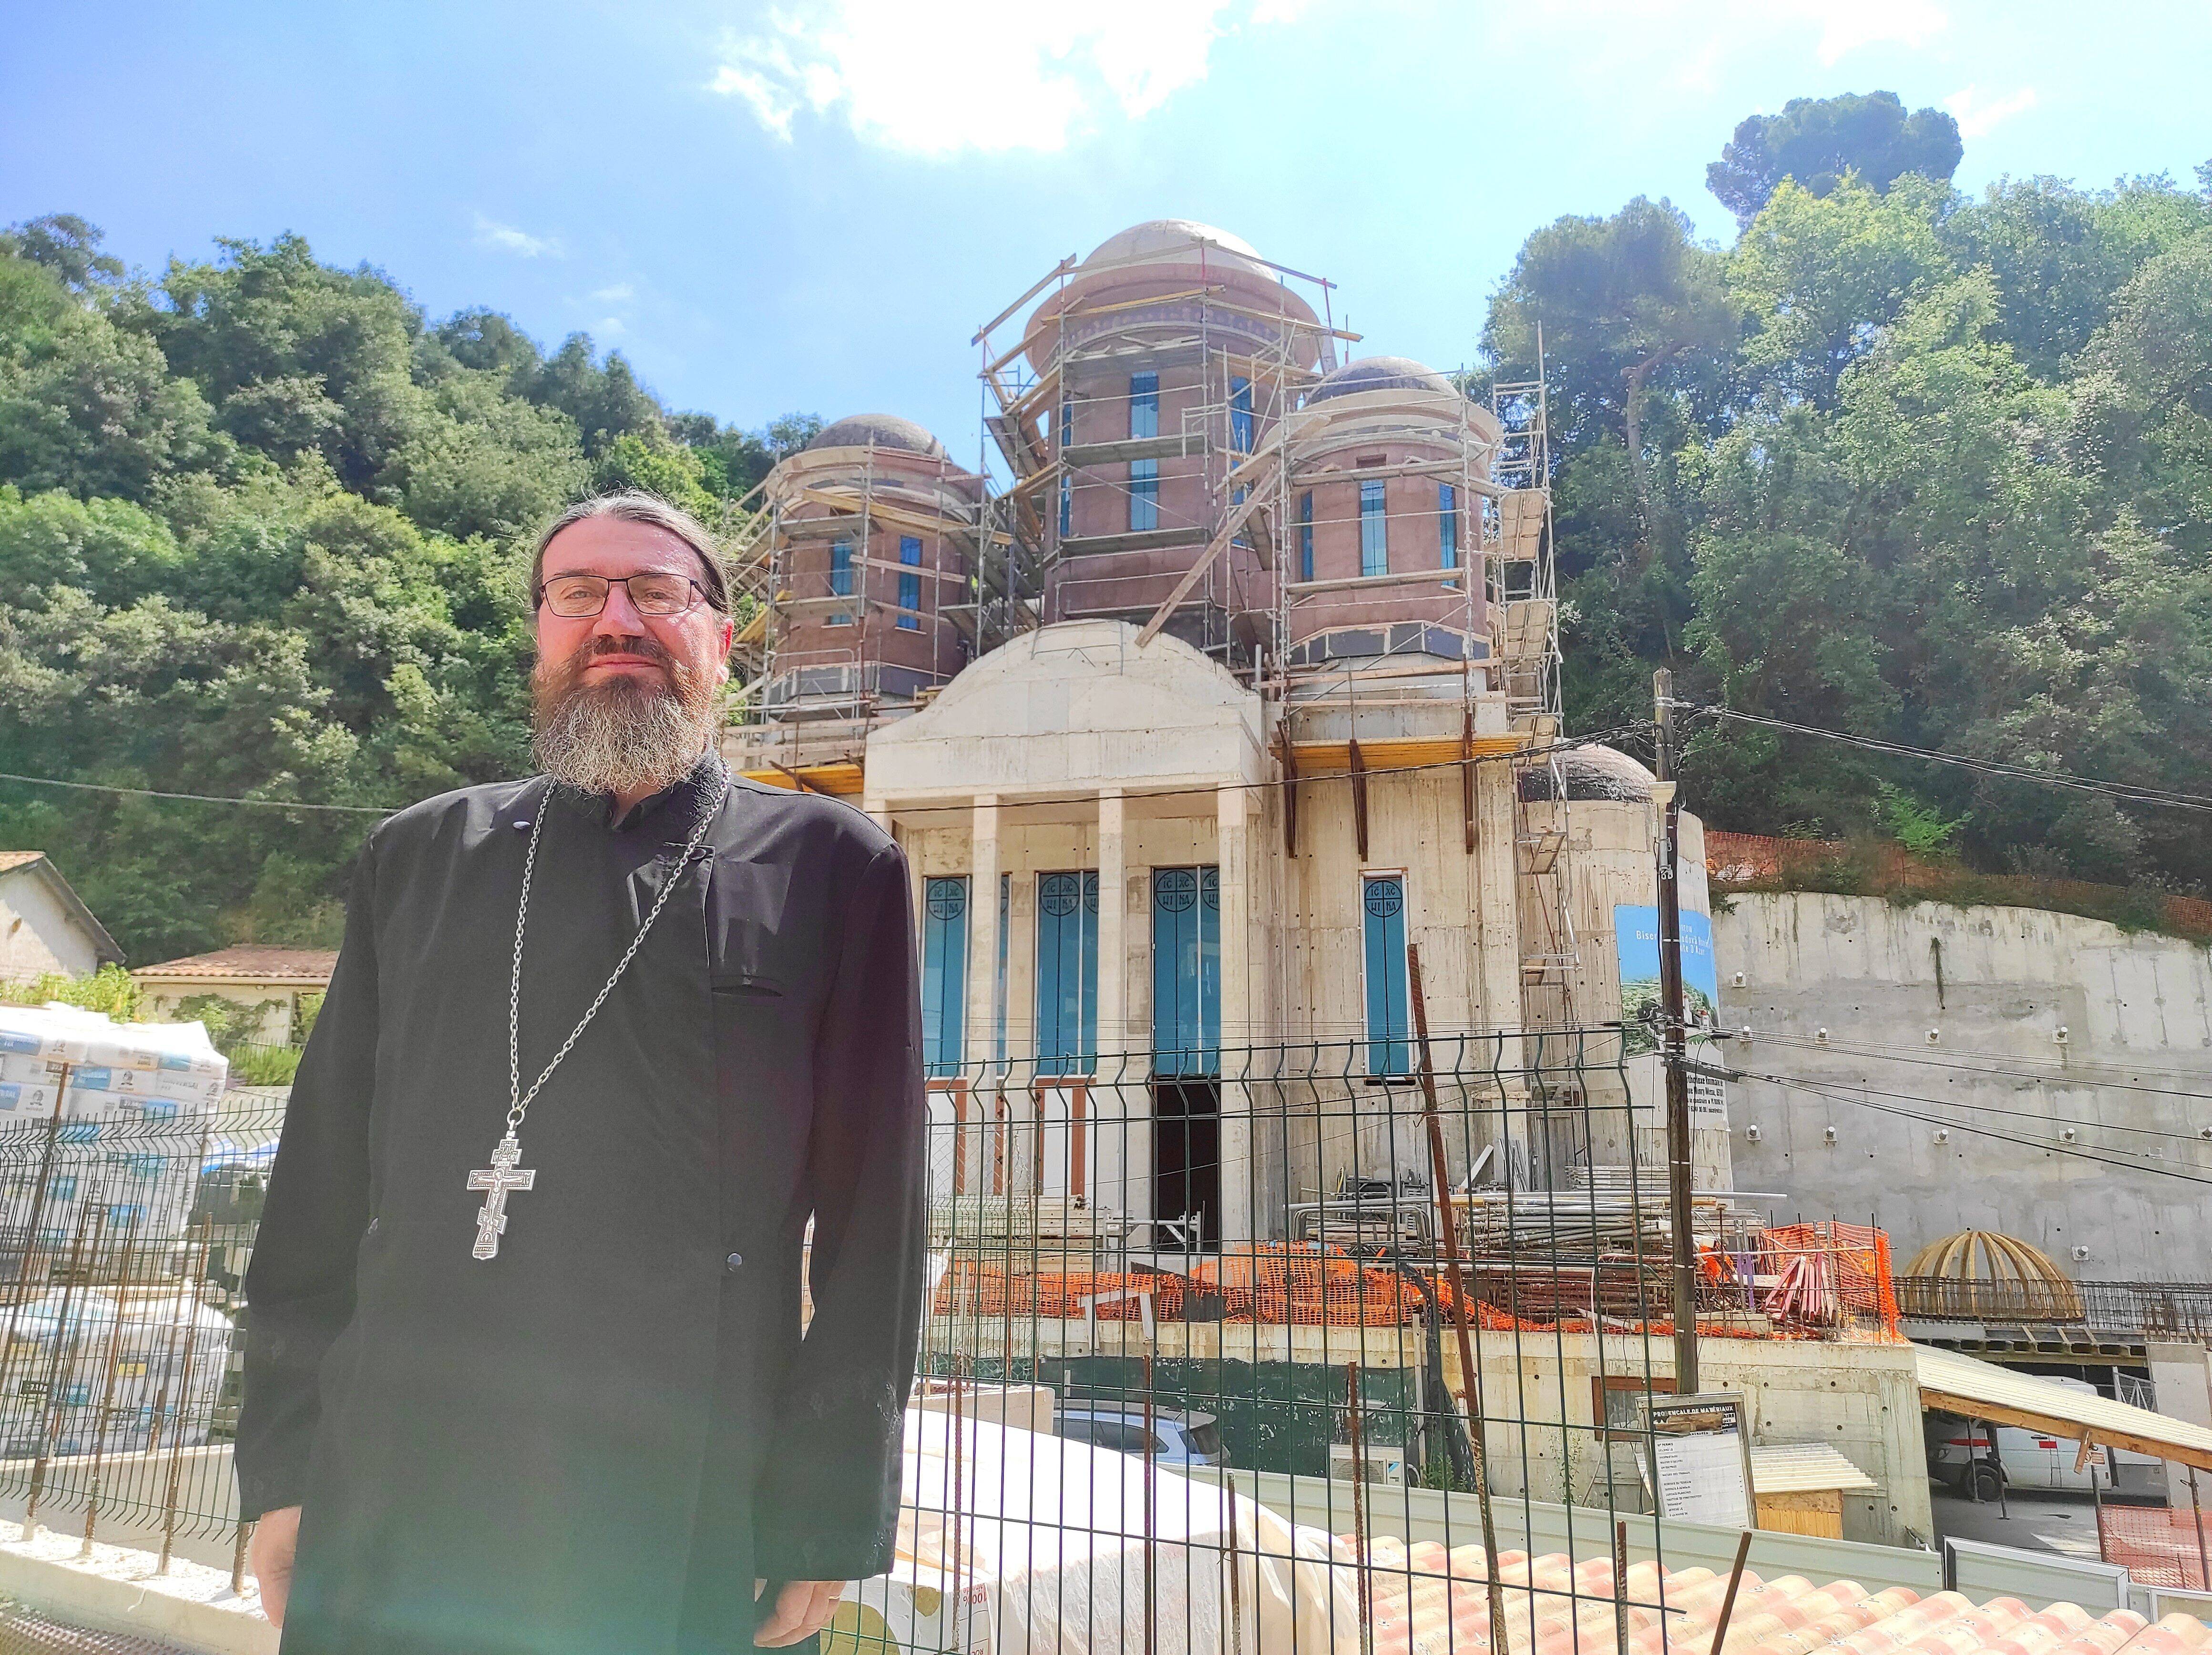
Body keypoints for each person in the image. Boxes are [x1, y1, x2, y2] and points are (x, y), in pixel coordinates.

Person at [237, 491, 926, 1655]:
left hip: (692, 1488)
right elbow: (317, 1187)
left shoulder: (832, 865)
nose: (617, 619)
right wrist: (284, 1462)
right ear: (541, 634)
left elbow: (879, 1220)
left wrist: (823, 1512)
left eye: (657, 592)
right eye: (579, 593)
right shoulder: (419, 855)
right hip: (396, 1475)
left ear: (720, 638)